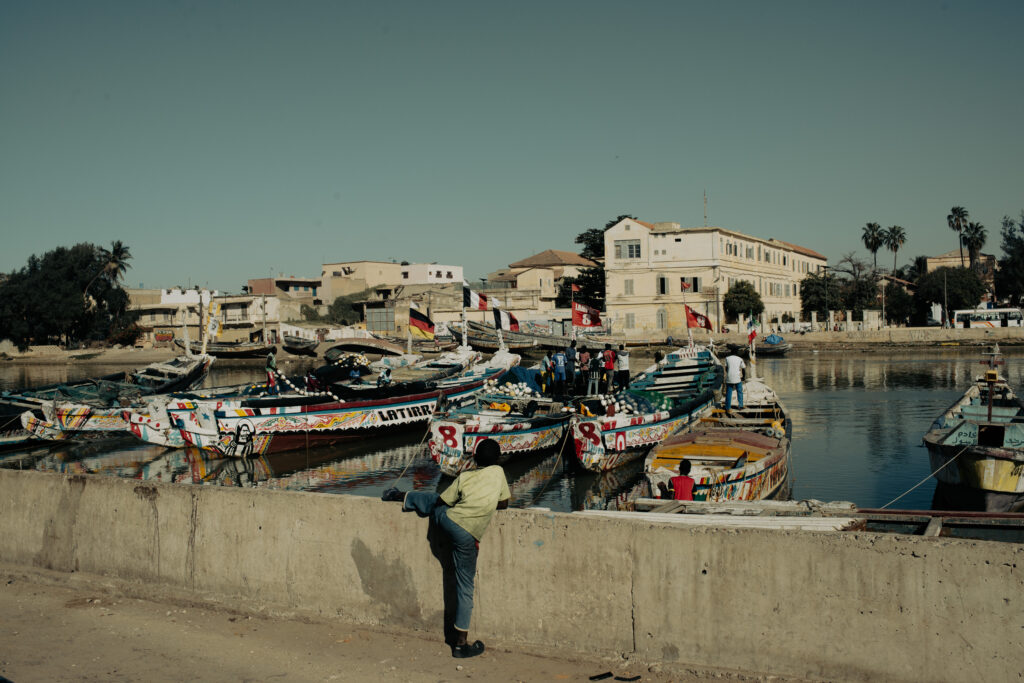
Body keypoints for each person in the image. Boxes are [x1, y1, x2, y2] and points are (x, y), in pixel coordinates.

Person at [381, 439, 510, 659]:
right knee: (465, 586)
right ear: (497, 459)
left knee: (433, 500)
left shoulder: (466, 476)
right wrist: (484, 503)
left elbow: (442, 500)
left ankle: (401, 496)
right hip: (466, 533)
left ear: (475, 458)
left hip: (447, 523)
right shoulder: (499, 473)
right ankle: (460, 645)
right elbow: (505, 503)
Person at [723, 348, 746, 413]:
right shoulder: (740, 359)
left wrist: (729, 373)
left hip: (729, 378)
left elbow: (726, 368)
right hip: (737, 378)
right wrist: (743, 377)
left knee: (729, 393)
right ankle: (740, 406)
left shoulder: (727, 358)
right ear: (737, 352)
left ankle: (728, 408)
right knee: (739, 391)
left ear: (731, 352)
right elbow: (743, 369)